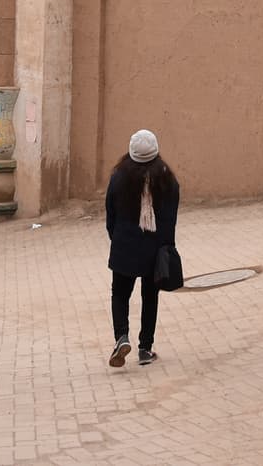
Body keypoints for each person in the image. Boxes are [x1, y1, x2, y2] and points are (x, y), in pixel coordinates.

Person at [104, 128, 179, 367]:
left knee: (120, 294)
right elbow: (170, 219)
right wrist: (167, 248)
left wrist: (116, 238)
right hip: (154, 249)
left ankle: (121, 337)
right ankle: (145, 349)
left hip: (124, 245)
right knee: (150, 297)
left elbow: (110, 214)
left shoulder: (119, 177)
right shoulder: (167, 179)